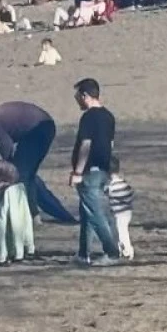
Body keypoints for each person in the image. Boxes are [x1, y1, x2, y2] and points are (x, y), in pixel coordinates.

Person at [0, 102, 56, 216]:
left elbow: (7, 144)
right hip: (44, 125)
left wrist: (4, 164)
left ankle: (30, 214)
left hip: (37, 130)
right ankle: (35, 214)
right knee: (28, 176)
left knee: (21, 176)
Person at [70, 78, 120, 266]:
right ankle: (83, 253)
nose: (77, 101)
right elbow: (110, 144)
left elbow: (86, 145)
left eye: (77, 97)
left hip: (89, 172)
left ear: (85, 96)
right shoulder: (109, 116)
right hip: (103, 170)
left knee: (94, 212)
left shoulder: (88, 117)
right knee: (86, 212)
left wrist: (77, 172)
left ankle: (112, 252)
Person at [106, 155, 135, 260]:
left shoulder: (110, 185)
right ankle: (121, 250)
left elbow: (106, 194)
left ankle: (127, 251)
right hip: (127, 212)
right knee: (121, 231)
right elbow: (131, 193)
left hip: (118, 214)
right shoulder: (123, 182)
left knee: (120, 233)